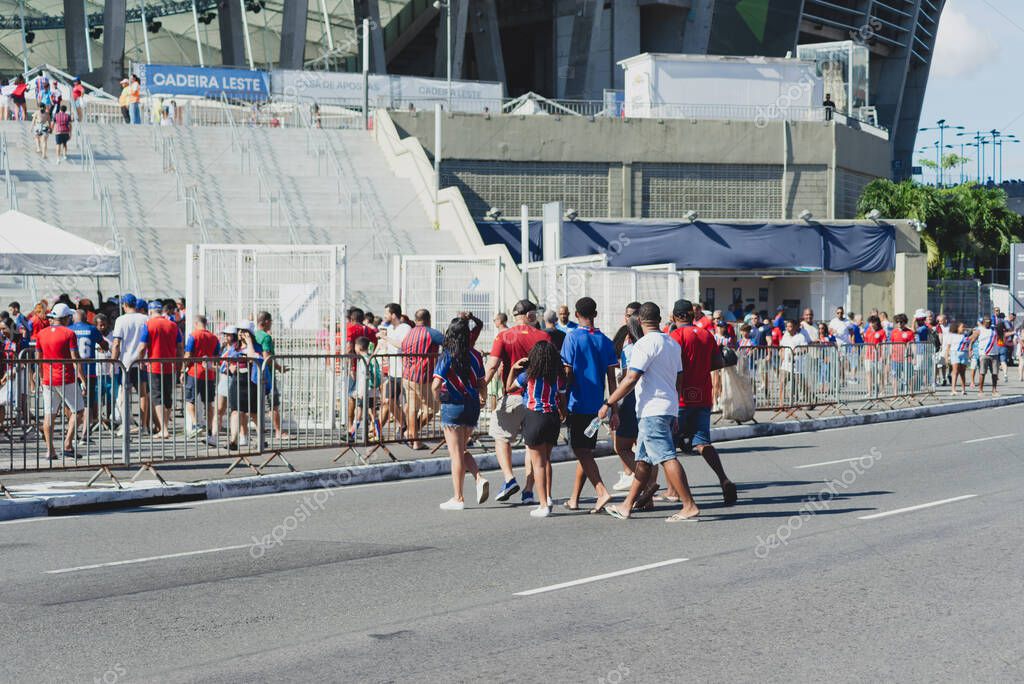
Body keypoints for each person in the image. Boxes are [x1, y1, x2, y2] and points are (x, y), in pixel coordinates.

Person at [602, 302, 700, 522]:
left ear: (639, 320)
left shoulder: (644, 344)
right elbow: (679, 380)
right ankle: (626, 505)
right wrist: (674, 410)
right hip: (665, 408)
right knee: (644, 460)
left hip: (652, 410)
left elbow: (631, 378)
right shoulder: (672, 343)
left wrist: (609, 403)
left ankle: (689, 505)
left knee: (666, 457)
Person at [669, 299, 738, 506]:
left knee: (669, 446)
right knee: (702, 443)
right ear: (691, 315)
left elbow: (670, 365)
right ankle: (723, 479)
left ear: (675, 316)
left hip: (681, 397)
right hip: (703, 396)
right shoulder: (706, 334)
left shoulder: (676, 336)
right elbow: (718, 362)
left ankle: (674, 492)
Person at [482, 299, 550, 503]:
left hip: (512, 395)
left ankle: (509, 478)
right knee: (533, 446)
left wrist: (481, 388)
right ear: (530, 315)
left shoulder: (504, 336)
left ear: (514, 316)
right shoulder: (543, 336)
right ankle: (529, 491)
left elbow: (492, 366)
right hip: (535, 398)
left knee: (501, 437)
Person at [561, 297, 618, 513]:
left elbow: (567, 373)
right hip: (598, 406)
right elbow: (612, 379)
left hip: (577, 403)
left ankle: (601, 490)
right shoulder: (605, 340)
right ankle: (574, 498)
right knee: (584, 451)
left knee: (581, 450)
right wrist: (614, 407)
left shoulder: (572, 338)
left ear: (576, 315)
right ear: (595, 314)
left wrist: (562, 400)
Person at [432, 318, 489, 511]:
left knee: (455, 454)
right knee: (461, 449)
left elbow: (435, 385)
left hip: (453, 406)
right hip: (472, 405)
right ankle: (479, 478)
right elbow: (482, 383)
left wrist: (439, 399)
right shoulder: (476, 355)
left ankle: (458, 497)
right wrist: (483, 398)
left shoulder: (447, 355)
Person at [507, 340, 566, 518]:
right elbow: (562, 400)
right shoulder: (557, 376)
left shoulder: (527, 375)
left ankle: (543, 505)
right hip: (552, 417)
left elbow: (509, 389)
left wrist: (512, 369)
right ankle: (547, 497)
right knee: (547, 460)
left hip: (534, 417)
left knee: (538, 464)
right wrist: (563, 414)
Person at [36, 303, 86, 460]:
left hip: (48, 379)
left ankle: (50, 450)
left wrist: (38, 378)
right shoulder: (69, 333)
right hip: (66, 378)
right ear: (65, 318)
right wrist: (82, 378)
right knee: (78, 411)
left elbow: (37, 359)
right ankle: (67, 444)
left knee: (49, 414)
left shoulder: (41, 334)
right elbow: (75, 358)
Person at [139, 301, 183, 439]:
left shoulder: (149, 325)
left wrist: (141, 360)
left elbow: (142, 347)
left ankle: (163, 429)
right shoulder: (173, 325)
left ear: (150, 312)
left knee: (157, 396)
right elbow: (180, 347)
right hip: (170, 365)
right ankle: (165, 427)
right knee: (168, 397)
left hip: (154, 365)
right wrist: (179, 363)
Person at [400, 308, 442, 450]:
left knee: (412, 408)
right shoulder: (431, 333)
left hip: (407, 376)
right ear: (428, 319)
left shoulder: (409, 333)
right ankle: (412, 434)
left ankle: (414, 438)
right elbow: (450, 344)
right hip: (422, 377)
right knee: (433, 408)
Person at [111, 294, 150, 434]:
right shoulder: (145, 319)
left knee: (123, 395)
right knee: (142, 394)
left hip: (125, 363)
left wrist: (113, 363)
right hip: (141, 362)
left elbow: (116, 344)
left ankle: (126, 425)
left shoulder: (120, 320)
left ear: (124, 305)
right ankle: (144, 426)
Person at [183, 315, 221, 445]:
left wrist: (183, 369)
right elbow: (217, 356)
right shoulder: (214, 338)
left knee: (190, 400)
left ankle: (195, 424)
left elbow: (188, 354)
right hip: (209, 373)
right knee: (209, 403)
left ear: (196, 323)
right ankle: (210, 430)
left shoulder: (193, 335)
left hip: (194, 371)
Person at [69, 308, 107, 434]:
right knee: (87, 403)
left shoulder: (69, 329)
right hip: (89, 369)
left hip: (73, 370)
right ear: (86, 318)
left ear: (74, 318)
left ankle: (72, 431)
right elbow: (104, 344)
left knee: (71, 402)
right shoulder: (92, 329)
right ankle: (85, 433)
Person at [254, 311, 288, 440]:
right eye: (271, 321)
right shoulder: (266, 337)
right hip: (267, 374)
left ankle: (254, 432)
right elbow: (267, 356)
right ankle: (279, 431)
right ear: (266, 321)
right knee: (273, 404)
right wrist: (279, 368)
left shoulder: (253, 335)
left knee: (255, 404)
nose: (272, 324)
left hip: (254, 374)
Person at [378, 303, 410, 438]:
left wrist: (385, 337)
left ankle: (407, 429)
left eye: (386, 313)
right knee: (387, 401)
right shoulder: (389, 328)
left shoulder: (405, 328)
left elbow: (401, 345)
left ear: (393, 315)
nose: (384, 316)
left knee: (407, 404)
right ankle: (403, 424)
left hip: (404, 373)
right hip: (392, 372)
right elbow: (388, 345)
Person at [970, 316, 1000, 396]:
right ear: (983, 322)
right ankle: (980, 391)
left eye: (989, 322)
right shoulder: (979, 330)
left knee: (994, 373)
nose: (988, 323)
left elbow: (1001, 335)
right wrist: (970, 351)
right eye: (986, 322)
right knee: (982, 373)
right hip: (984, 354)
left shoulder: (994, 329)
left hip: (995, 354)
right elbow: (972, 341)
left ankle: (994, 390)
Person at [947, 322, 969, 396]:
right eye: (962, 327)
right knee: (955, 371)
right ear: (957, 328)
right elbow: (948, 347)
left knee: (963, 372)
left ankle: (963, 389)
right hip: (955, 353)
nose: (963, 328)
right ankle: (953, 389)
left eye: (964, 327)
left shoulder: (965, 336)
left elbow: (968, 345)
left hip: (964, 354)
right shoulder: (952, 335)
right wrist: (947, 357)